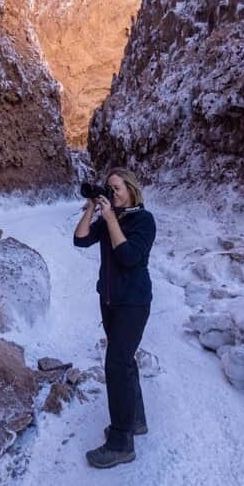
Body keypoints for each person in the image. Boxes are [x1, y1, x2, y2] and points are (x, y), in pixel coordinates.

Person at [73, 167, 156, 468]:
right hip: (109, 302)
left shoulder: (143, 220)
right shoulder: (111, 218)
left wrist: (109, 220)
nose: (113, 193)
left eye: (117, 188)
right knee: (125, 361)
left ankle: (121, 442)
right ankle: (135, 420)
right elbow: (80, 240)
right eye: (109, 188)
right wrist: (93, 208)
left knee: (116, 365)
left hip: (133, 304)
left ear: (131, 189)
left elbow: (130, 257)